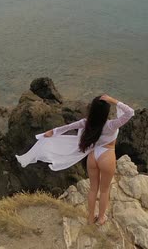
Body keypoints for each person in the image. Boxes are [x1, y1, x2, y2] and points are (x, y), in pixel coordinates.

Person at [15, 94, 135, 225]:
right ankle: (101, 218)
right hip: (107, 156)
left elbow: (67, 127)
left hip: (93, 157)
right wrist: (114, 101)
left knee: (93, 189)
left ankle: (90, 218)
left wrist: (52, 132)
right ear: (106, 112)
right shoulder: (112, 125)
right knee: (104, 190)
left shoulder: (87, 123)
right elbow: (130, 112)